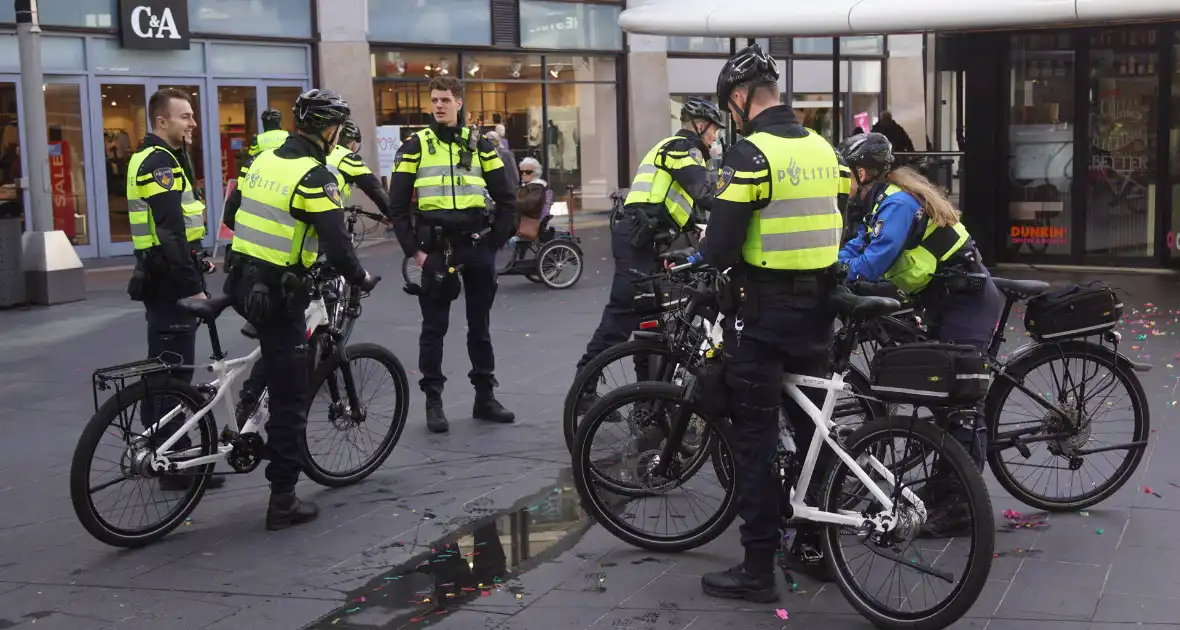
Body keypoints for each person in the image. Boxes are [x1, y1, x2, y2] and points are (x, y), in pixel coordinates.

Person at [697, 44, 846, 602]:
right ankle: (817, 548)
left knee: (755, 440)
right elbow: (835, 223)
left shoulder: (750, 156)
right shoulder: (824, 149)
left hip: (762, 316)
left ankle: (758, 567)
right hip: (817, 312)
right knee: (812, 434)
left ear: (738, 100)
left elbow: (721, 245)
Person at [222, 89, 378, 530]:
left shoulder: (263, 161)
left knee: (275, 357)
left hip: (240, 282)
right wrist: (361, 278)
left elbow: (234, 216)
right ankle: (283, 500)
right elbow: (338, 246)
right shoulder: (314, 176)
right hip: (276, 294)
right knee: (292, 400)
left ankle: (247, 414)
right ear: (330, 131)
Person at [837, 131, 1001, 536]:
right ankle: (945, 486)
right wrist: (827, 267)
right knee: (944, 397)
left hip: (968, 301)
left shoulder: (896, 203)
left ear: (862, 172)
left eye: (848, 175)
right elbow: (858, 246)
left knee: (962, 405)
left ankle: (962, 505)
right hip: (944, 300)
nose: (845, 184)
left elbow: (874, 260)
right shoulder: (881, 202)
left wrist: (842, 278)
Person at [232, 118, 394, 423]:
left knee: (277, 339)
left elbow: (233, 215)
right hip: (306, 251)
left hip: (248, 267)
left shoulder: (265, 157)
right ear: (341, 137)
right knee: (307, 321)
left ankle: (253, 397)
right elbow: (374, 191)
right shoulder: (339, 161)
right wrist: (394, 219)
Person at [387, 76, 518, 434]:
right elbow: (396, 207)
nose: (439, 105)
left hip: (477, 246)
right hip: (436, 250)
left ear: (459, 103)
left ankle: (485, 397)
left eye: (446, 99)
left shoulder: (480, 146)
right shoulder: (415, 145)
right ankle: (434, 401)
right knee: (434, 329)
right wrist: (415, 252)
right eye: (435, 100)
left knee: (481, 328)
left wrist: (495, 243)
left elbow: (507, 199)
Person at [572, 98, 723, 407]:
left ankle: (648, 396)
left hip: (646, 239)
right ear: (699, 125)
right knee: (623, 312)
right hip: (636, 238)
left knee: (651, 322)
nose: (715, 137)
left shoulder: (678, 149)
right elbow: (705, 193)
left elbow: (679, 201)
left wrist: (696, 224)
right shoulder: (683, 148)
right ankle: (583, 389)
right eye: (714, 131)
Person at [125, 88, 225, 492]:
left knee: (168, 368)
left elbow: (176, 228)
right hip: (169, 283)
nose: (192, 123)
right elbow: (168, 231)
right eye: (184, 116)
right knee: (172, 372)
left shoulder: (164, 158)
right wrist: (193, 290)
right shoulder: (157, 163)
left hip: (166, 275)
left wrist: (197, 257)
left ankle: (168, 453)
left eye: (192, 116)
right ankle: (172, 462)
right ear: (161, 121)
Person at [508, 157, 551, 254]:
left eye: (527, 172)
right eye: (521, 172)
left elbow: (529, 204)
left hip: (527, 222)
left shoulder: (537, 187)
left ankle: (503, 262)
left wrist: (510, 204)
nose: (523, 174)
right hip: (520, 220)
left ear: (535, 173)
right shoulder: (526, 186)